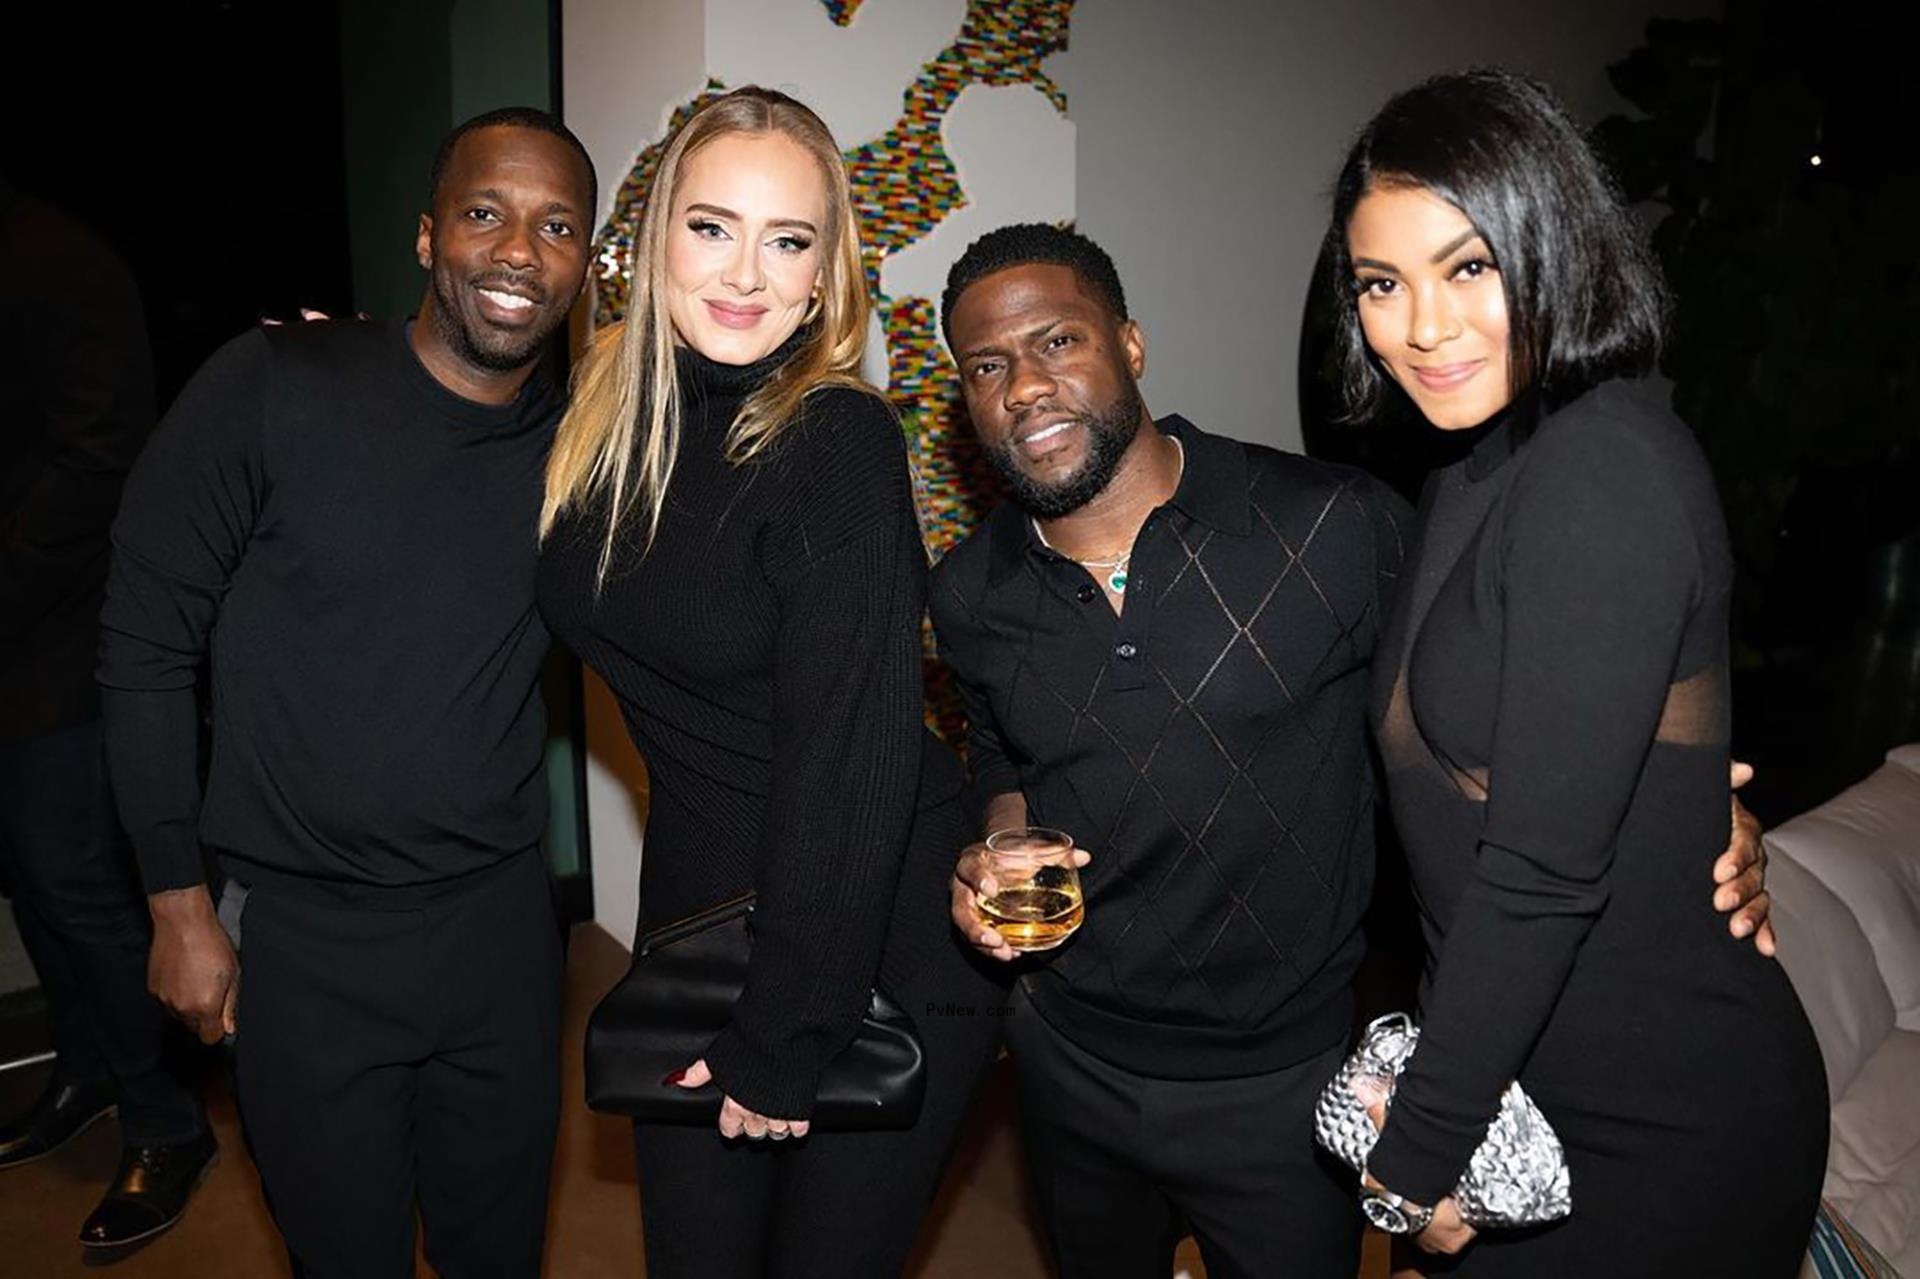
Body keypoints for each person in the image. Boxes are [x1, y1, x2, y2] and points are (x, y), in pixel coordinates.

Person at [931, 223, 1778, 1279]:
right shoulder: (966, 592)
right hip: (1068, 1066)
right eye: (987, 367)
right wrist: (995, 846)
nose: (1023, 388)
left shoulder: (1332, 526)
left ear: (1131, 344)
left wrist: (1688, 804)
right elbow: (1001, 758)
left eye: (1057, 342)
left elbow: (1513, 706)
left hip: (1286, 1081)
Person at [1334, 70, 1826, 1275]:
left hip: (1659, 1117)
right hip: (1531, 1093)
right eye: (1381, 285)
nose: (1424, 327)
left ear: (1551, 244)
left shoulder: (1602, 467)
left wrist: (1411, 1166)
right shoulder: (1475, 464)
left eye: (1469, 267)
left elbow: (1542, 873)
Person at [98, 107, 595, 1277]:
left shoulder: (585, 444)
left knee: (500, 1253)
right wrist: (176, 904)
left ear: (585, 262)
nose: (519, 251)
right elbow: (143, 634)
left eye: (556, 226)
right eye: (486, 214)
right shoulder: (275, 386)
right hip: (304, 939)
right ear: (429, 238)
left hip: (500, 935)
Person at [535, 87, 1005, 1278]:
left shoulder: (835, 442)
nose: (745, 272)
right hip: (705, 906)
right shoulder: (604, 417)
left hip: (873, 923)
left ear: (822, 276)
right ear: (651, 243)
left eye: (786, 239)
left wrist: (787, 1031)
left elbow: (849, 760)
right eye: (711, 227)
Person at [0, 177, 212, 1249]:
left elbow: (98, 450)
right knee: (35, 880)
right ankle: (83, 1073)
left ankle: (169, 1120)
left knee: (81, 883)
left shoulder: (57, 257)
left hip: (55, 640)